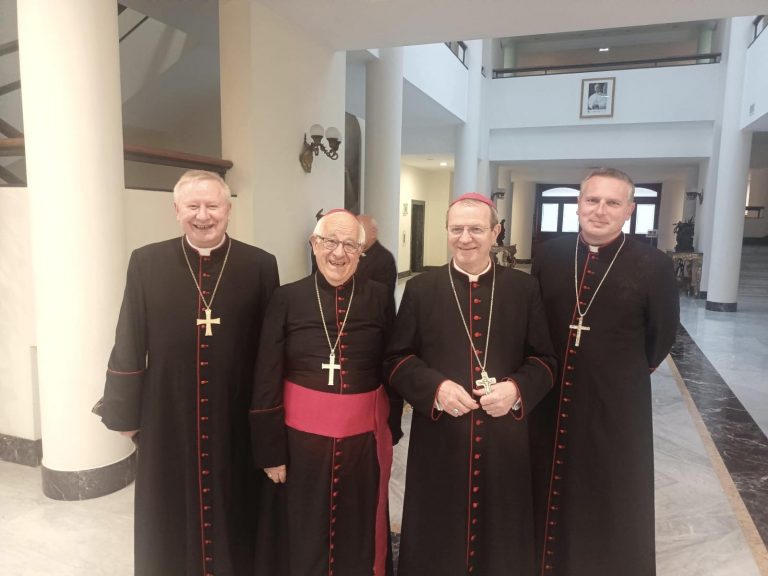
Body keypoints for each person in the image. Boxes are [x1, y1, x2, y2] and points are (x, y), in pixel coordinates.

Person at [96, 170, 279, 576]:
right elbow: (129, 335)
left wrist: (268, 423)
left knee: (237, 507)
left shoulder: (260, 265)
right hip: (168, 413)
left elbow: (270, 352)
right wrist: (124, 412)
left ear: (228, 209)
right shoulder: (146, 261)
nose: (203, 215)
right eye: (192, 206)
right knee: (168, 512)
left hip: (235, 413)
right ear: (176, 210)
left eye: (212, 205)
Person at [385, 192, 557, 576]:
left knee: (502, 533)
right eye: (456, 229)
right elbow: (396, 360)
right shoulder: (422, 288)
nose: (465, 238)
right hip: (441, 438)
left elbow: (545, 360)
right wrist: (435, 389)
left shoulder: (523, 289)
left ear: (495, 232)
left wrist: (516, 390)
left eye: (476, 229)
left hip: (504, 439)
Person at [530, 168, 679, 576]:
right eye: (592, 200)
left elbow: (662, 335)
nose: (600, 210)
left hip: (616, 399)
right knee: (547, 476)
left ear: (629, 210)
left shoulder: (654, 265)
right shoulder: (550, 255)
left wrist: (620, 373)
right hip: (550, 394)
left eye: (613, 203)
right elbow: (534, 321)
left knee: (609, 484)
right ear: (578, 204)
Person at [250, 209, 403, 576]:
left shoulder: (379, 297)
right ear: (314, 244)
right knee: (302, 527)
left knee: (357, 524)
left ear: (362, 251)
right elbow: (267, 373)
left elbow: (391, 363)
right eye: (330, 242)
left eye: (350, 245)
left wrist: (391, 427)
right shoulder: (287, 297)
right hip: (299, 442)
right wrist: (271, 451)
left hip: (362, 442)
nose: (338, 253)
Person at [356, 214, 398, 293]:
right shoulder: (352, 253)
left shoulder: (385, 258)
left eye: (359, 230)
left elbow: (383, 292)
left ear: (373, 233)